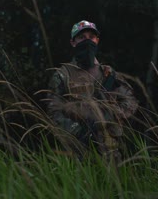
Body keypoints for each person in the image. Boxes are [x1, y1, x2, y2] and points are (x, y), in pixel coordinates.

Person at [47, 20, 138, 162]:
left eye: (91, 37)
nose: (87, 41)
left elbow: (130, 101)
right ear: (73, 42)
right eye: (82, 37)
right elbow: (53, 111)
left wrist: (112, 114)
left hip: (110, 151)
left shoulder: (108, 73)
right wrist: (77, 131)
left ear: (97, 41)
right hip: (77, 152)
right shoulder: (62, 75)